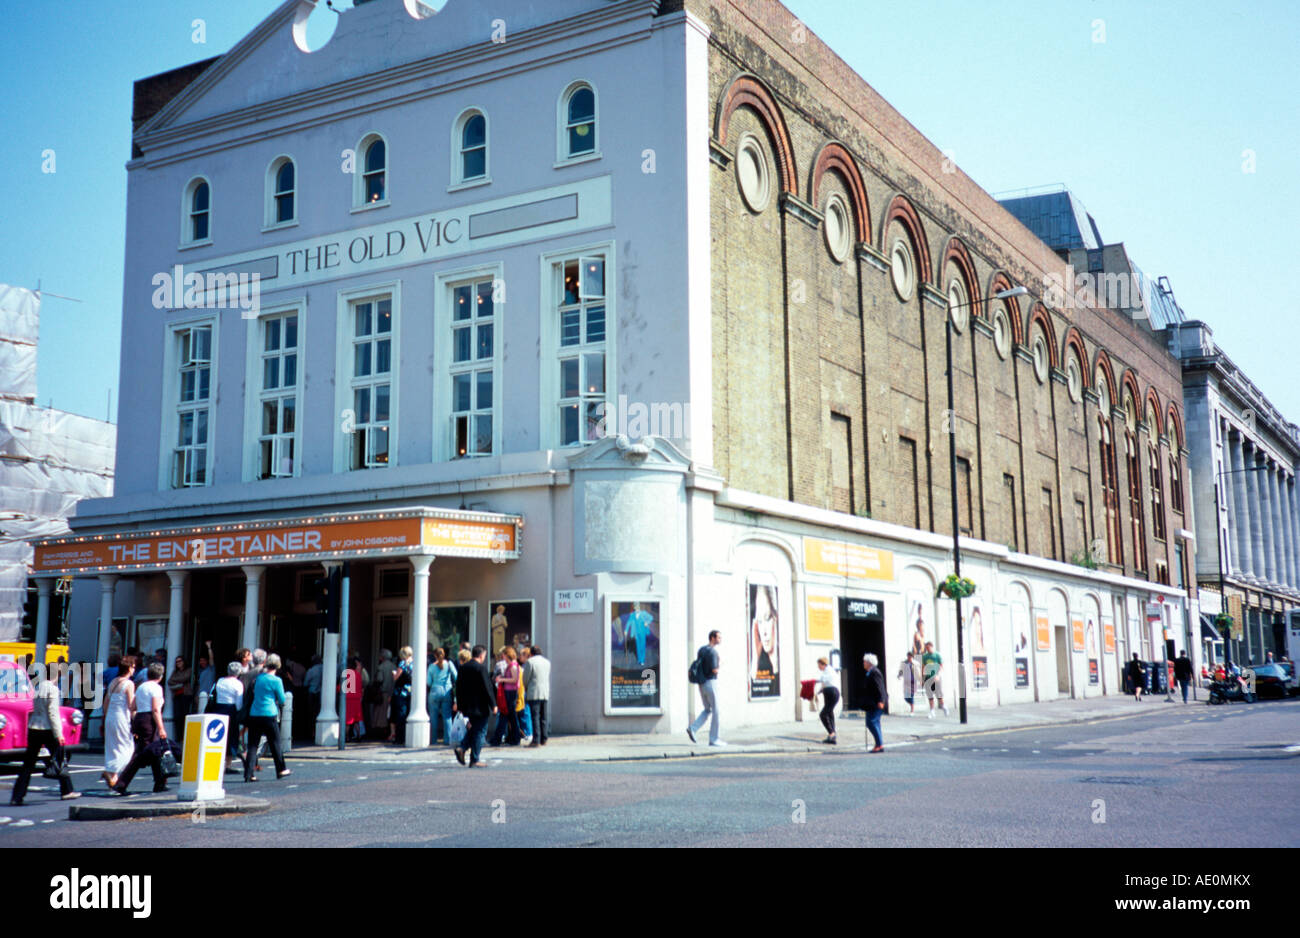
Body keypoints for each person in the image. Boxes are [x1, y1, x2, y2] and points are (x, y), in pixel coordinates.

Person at [10, 669, 79, 805]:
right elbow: (53, 713)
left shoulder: (38, 687)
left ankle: (17, 796)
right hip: (47, 728)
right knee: (59, 760)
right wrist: (59, 734)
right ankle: (67, 790)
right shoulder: (53, 690)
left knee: (28, 764)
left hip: (34, 727)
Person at [112, 662, 170, 795]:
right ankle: (121, 784)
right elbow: (156, 709)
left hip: (140, 718)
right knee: (142, 754)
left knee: (154, 750)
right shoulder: (156, 688)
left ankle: (160, 782)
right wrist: (161, 727)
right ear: (160, 675)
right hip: (149, 720)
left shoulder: (141, 686)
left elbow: (133, 706)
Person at [244, 654, 290, 782]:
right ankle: (281, 769)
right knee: (275, 743)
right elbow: (282, 699)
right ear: (278, 665)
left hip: (255, 713)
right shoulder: (276, 680)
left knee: (253, 745)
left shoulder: (259, 678)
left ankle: (249, 774)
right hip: (269, 714)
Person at [454, 645, 497, 768]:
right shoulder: (481, 669)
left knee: (474, 729)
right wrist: (493, 704)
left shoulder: (463, 668)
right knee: (480, 731)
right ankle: (474, 758)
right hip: (480, 706)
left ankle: (462, 748)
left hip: (467, 706)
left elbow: (459, 688)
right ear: (481, 655)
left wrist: (460, 705)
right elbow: (487, 688)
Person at [102, 655, 137, 789]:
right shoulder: (129, 684)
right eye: (133, 667)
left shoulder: (113, 682)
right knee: (127, 747)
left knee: (112, 746)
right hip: (122, 717)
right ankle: (111, 773)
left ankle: (112, 774)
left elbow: (106, 704)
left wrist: (104, 718)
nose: (134, 669)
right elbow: (131, 706)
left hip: (110, 717)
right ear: (129, 668)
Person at [687, 630, 724, 746]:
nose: (720, 639)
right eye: (718, 637)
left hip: (701, 684)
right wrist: (721, 663)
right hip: (711, 683)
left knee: (707, 710)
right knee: (716, 711)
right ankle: (714, 739)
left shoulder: (701, 650)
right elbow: (714, 670)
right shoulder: (713, 652)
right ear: (712, 638)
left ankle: (693, 728)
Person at [210, 662, 245, 769]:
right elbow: (239, 704)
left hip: (218, 709)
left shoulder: (220, 681)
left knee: (219, 736)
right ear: (239, 672)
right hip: (231, 710)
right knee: (231, 737)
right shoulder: (238, 684)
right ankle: (227, 765)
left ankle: (217, 762)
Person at [427, 647, 458, 745]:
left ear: (434, 656)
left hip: (434, 691)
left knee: (433, 717)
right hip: (446, 691)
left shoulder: (431, 666)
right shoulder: (449, 664)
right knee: (447, 716)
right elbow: (456, 676)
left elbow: (428, 682)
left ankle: (433, 740)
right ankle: (447, 740)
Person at [492, 646, 522, 746]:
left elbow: (514, 679)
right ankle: (514, 738)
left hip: (510, 692)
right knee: (511, 716)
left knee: (506, 715)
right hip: (509, 692)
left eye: (503, 655)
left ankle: (498, 739)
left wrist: (502, 679)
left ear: (507, 655)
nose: (502, 657)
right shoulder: (511, 665)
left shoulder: (513, 665)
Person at [522, 645, 551, 747]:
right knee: (543, 717)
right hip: (545, 692)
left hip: (534, 692)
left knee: (535, 717)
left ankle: (536, 740)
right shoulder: (547, 662)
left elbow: (525, 678)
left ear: (531, 653)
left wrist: (526, 687)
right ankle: (544, 738)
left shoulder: (530, 662)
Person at [862, 653, 887, 753]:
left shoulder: (875, 672)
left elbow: (879, 687)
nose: (863, 663)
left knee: (871, 722)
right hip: (872, 702)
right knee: (874, 722)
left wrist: (881, 701)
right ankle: (879, 744)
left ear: (869, 663)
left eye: (864, 661)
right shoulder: (870, 672)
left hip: (877, 703)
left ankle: (879, 744)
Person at [812, 657, 839, 744]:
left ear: (823, 664)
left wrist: (813, 681)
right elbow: (826, 683)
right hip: (830, 692)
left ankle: (831, 733)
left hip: (832, 693)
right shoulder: (827, 671)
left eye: (819, 665)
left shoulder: (828, 670)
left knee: (823, 714)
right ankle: (832, 735)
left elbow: (822, 679)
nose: (818, 667)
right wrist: (819, 691)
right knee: (829, 713)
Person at [388, 647, 412, 744]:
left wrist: (394, 674)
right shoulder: (415, 663)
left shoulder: (403, 663)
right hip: (411, 691)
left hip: (401, 692)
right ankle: (407, 736)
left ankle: (400, 738)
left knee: (401, 714)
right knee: (407, 714)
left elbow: (396, 677)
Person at [370, 648, 394, 741]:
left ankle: (380, 733)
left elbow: (379, 680)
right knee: (388, 713)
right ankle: (388, 731)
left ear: (382, 657)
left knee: (380, 714)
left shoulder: (381, 667)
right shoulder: (394, 667)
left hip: (382, 693)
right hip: (391, 693)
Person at [168, 655, 193, 734]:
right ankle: (178, 735)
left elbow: (185, 678)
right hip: (177, 695)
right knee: (177, 716)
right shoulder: (175, 672)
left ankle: (184, 734)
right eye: (176, 662)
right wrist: (180, 681)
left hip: (186, 695)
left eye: (180, 661)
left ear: (184, 662)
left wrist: (177, 680)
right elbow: (169, 681)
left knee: (184, 715)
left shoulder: (189, 670)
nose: (178, 663)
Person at [921, 641, 946, 717]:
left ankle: (943, 706)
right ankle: (932, 711)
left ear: (932, 647)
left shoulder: (937, 655)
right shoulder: (925, 656)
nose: (927, 649)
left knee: (939, 694)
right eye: (926, 648)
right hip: (928, 678)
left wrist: (938, 675)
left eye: (928, 648)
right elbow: (923, 667)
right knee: (930, 695)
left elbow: (941, 667)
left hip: (936, 678)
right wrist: (923, 678)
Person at [344, 656, 365, 742]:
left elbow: (344, 687)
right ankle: (359, 735)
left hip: (349, 698)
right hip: (357, 698)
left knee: (347, 720)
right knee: (356, 719)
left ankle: (346, 737)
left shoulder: (347, 673)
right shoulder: (358, 674)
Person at [516, 647, 533, 745]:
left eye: (521, 655)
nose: (519, 657)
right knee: (525, 711)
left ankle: (528, 732)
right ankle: (527, 732)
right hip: (525, 690)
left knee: (525, 711)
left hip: (525, 690)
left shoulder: (526, 665)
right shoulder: (524, 665)